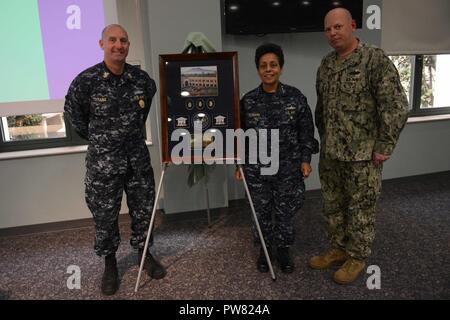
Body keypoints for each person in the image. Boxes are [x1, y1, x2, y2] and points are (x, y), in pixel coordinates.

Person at [64, 24, 166, 295]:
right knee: (105, 217)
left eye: (123, 40)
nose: (119, 45)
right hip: (104, 165)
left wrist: (125, 138)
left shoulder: (142, 81)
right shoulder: (86, 81)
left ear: (128, 45)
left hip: (137, 162)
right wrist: (104, 140)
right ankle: (110, 264)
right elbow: (77, 120)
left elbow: (142, 115)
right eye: (113, 40)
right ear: (102, 44)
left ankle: (145, 255)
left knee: (144, 212)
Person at [310, 8, 408, 284]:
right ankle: (338, 248)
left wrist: (384, 145)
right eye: (328, 29)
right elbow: (322, 108)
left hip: (362, 155)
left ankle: (357, 256)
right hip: (331, 153)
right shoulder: (326, 65)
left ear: (352, 26)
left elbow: (396, 105)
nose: (333, 33)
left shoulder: (374, 59)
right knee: (332, 205)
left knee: (361, 207)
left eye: (338, 27)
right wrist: (325, 138)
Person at [236, 43, 318, 274]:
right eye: (263, 66)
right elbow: (240, 136)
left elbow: (306, 132)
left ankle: (283, 249)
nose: (268, 70)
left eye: (273, 65)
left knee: (285, 211)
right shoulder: (249, 101)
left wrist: (305, 160)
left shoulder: (295, 98)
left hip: (288, 167)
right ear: (258, 70)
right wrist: (239, 164)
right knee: (260, 212)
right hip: (256, 169)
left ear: (281, 68)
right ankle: (264, 249)